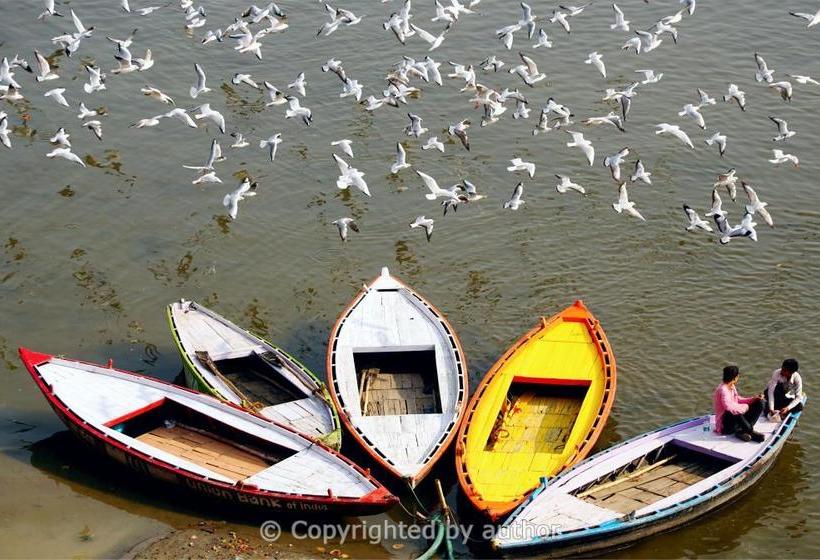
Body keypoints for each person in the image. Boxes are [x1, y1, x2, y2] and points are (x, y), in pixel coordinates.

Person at [713, 365, 765, 442]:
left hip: (735, 422)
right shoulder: (722, 389)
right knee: (733, 412)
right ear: (735, 377)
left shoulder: (731, 386)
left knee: (760, 403)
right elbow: (728, 407)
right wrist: (744, 407)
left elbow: (738, 399)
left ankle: (742, 431)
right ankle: (749, 431)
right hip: (725, 427)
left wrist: (754, 399)